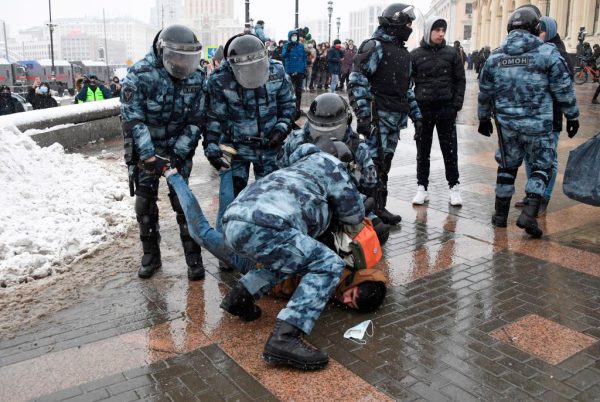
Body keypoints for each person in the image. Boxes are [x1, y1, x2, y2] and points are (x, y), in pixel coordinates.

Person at [219, 135, 365, 371]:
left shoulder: (298, 164)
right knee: (328, 265)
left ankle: (240, 298)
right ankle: (284, 338)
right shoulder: (331, 164)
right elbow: (353, 215)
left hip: (235, 221)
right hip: (268, 223)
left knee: (286, 257)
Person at [478, 6, 579, 238]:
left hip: (507, 126)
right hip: (537, 125)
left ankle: (500, 216)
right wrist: (572, 116)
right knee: (541, 167)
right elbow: (564, 89)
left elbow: (485, 92)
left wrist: (484, 118)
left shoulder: (495, 57)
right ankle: (529, 214)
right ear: (535, 28)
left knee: (506, 166)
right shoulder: (547, 53)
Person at [120, 24, 207, 280]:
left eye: (187, 58)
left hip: (179, 149)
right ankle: (151, 256)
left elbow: (196, 120)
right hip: (147, 149)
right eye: (177, 57)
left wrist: (178, 155)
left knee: (183, 204)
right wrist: (148, 155)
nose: (182, 63)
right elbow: (132, 118)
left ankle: (193, 258)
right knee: (145, 204)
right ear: (162, 52)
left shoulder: (197, 76)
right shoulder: (139, 74)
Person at [348, 3, 423, 225]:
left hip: (394, 119)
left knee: (384, 165)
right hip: (377, 118)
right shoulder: (375, 47)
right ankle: (365, 212)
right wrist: (363, 116)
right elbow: (357, 80)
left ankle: (378, 207)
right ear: (396, 22)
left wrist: (417, 117)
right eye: (407, 23)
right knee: (371, 166)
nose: (409, 27)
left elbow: (406, 89)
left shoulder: (402, 53)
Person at [203, 33, 296, 196]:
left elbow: (287, 104)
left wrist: (280, 130)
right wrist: (211, 147)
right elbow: (214, 117)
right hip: (235, 149)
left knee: (271, 196)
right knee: (234, 197)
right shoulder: (220, 80)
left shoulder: (277, 71)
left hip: (269, 145)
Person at [515, 16, 575, 215]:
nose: (535, 36)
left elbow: (565, 89)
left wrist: (571, 115)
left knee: (548, 158)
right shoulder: (536, 50)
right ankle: (533, 194)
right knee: (530, 157)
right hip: (532, 116)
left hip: (550, 117)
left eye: (539, 32)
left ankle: (543, 197)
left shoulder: (560, 54)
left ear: (548, 31)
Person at [410, 16, 466, 206]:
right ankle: (421, 187)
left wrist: (455, 105)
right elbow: (408, 83)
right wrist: (413, 110)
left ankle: (454, 187)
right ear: (428, 31)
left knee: (449, 150)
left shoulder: (451, 54)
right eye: (437, 30)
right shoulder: (415, 55)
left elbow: (460, 80)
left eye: (443, 30)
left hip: (446, 109)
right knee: (422, 150)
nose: (441, 34)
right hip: (423, 110)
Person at [282, 29, 307, 120]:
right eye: (293, 36)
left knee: (298, 91)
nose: (294, 37)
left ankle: (297, 109)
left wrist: (304, 70)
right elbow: (283, 56)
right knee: (290, 91)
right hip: (290, 71)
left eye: (296, 36)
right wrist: (287, 50)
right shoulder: (286, 45)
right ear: (290, 37)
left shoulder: (301, 46)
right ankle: (290, 108)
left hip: (300, 71)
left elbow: (304, 58)